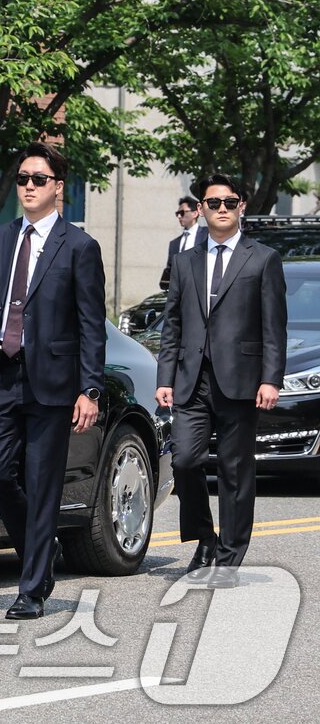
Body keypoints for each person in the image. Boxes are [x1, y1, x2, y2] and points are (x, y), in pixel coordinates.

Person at [0, 141, 106, 620]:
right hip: (0, 374)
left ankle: (32, 587)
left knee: (43, 484)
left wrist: (90, 388)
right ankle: (42, 550)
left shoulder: (80, 247)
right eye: (22, 179)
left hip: (54, 382)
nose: (28, 187)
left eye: (38, 179)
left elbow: (91, 325)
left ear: (58, 188)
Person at [155, 174, 286, 589]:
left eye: (230, 201)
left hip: (241, 381)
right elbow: (172, 324)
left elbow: (274, 327)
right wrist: (165, 376)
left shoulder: (262, 258)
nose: (222, 208)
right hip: (192, 380)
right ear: (202, 209)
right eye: (213, 203)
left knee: (234, 472)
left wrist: (271, 379)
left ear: (242, 205)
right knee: (184, 461)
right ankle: (205, 537)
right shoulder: (185, 260)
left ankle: (229, 558)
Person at [160, 196, 206, 289]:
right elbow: (170, 269)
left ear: (195, 213)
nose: (179, 216)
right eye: (177, 213)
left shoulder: (208, 234)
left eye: (182, 213)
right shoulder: (174, 243)